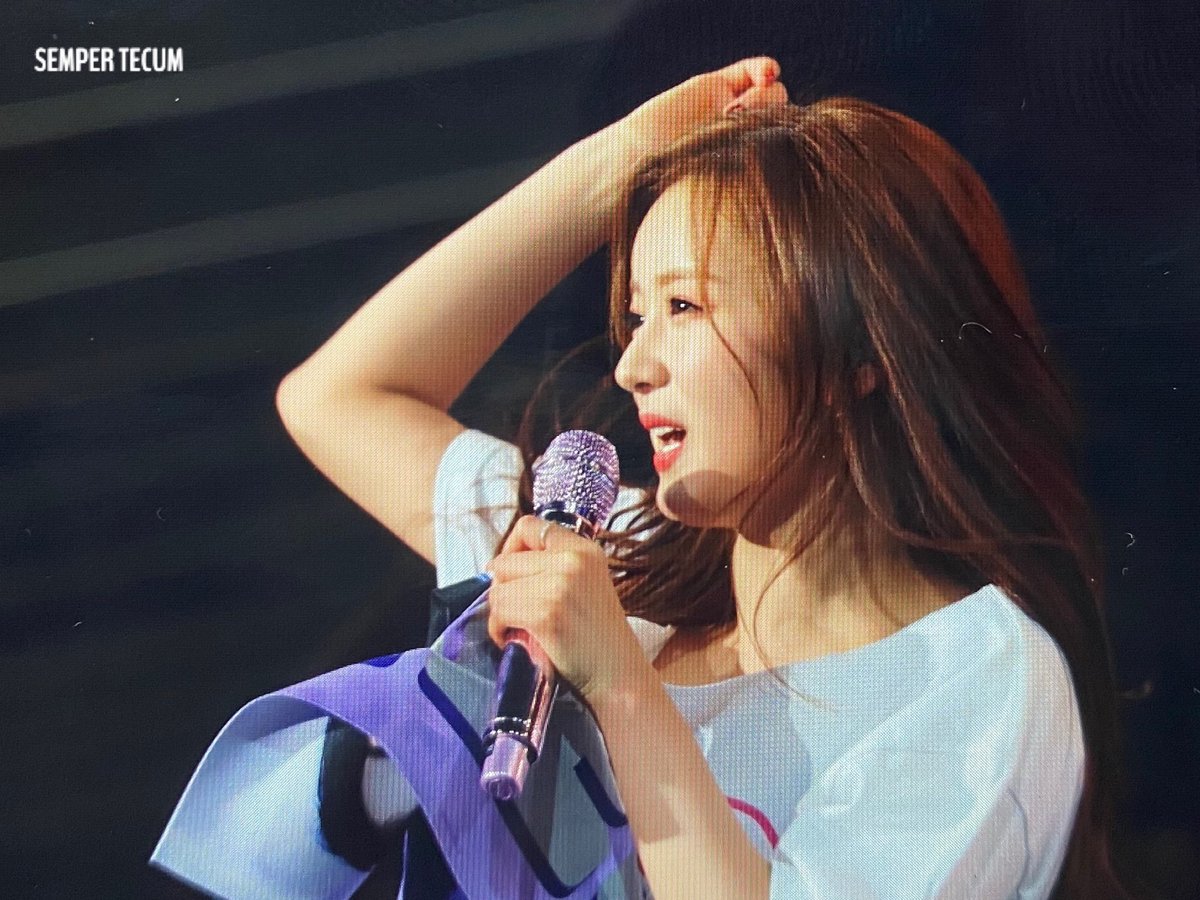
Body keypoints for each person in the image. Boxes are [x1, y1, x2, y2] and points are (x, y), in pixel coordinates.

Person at [274, 58, 1129, 898]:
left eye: (683, 307)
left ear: (858, 348)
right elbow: (341, 398)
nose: (633, 366)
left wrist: (619, 685)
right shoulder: (613, 560)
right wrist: (624, 157)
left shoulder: (973, 676)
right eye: (635, 316)